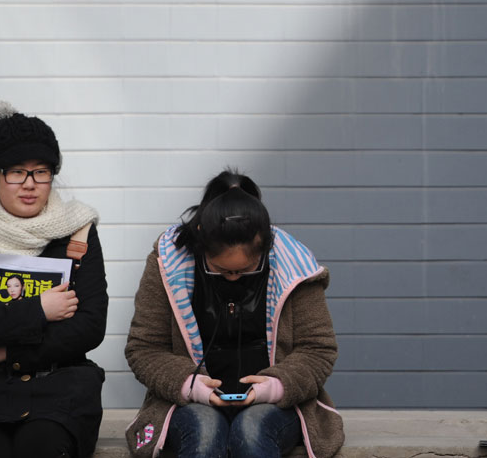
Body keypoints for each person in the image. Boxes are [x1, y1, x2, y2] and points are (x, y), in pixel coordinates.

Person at [0, 100, 107, 458]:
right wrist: (39, 309)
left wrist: (7, 351)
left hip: (59, 387)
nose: (30, 184)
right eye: (16, 171)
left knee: (42, 446)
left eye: (41, 171)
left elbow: (89, 327)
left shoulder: (78, 230)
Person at [125, 169, 344, 458]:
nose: (232, 278)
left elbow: (318, 349)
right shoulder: (166, 265)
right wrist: (191, 386)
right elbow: (144, 348)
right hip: (187, 403)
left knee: (252, 428)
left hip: (279, 404)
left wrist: (274, 387)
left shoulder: (296, 269)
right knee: (204, 428)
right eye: (221, 269)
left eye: (244, 270)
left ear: (265, 244)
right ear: (200, 242)